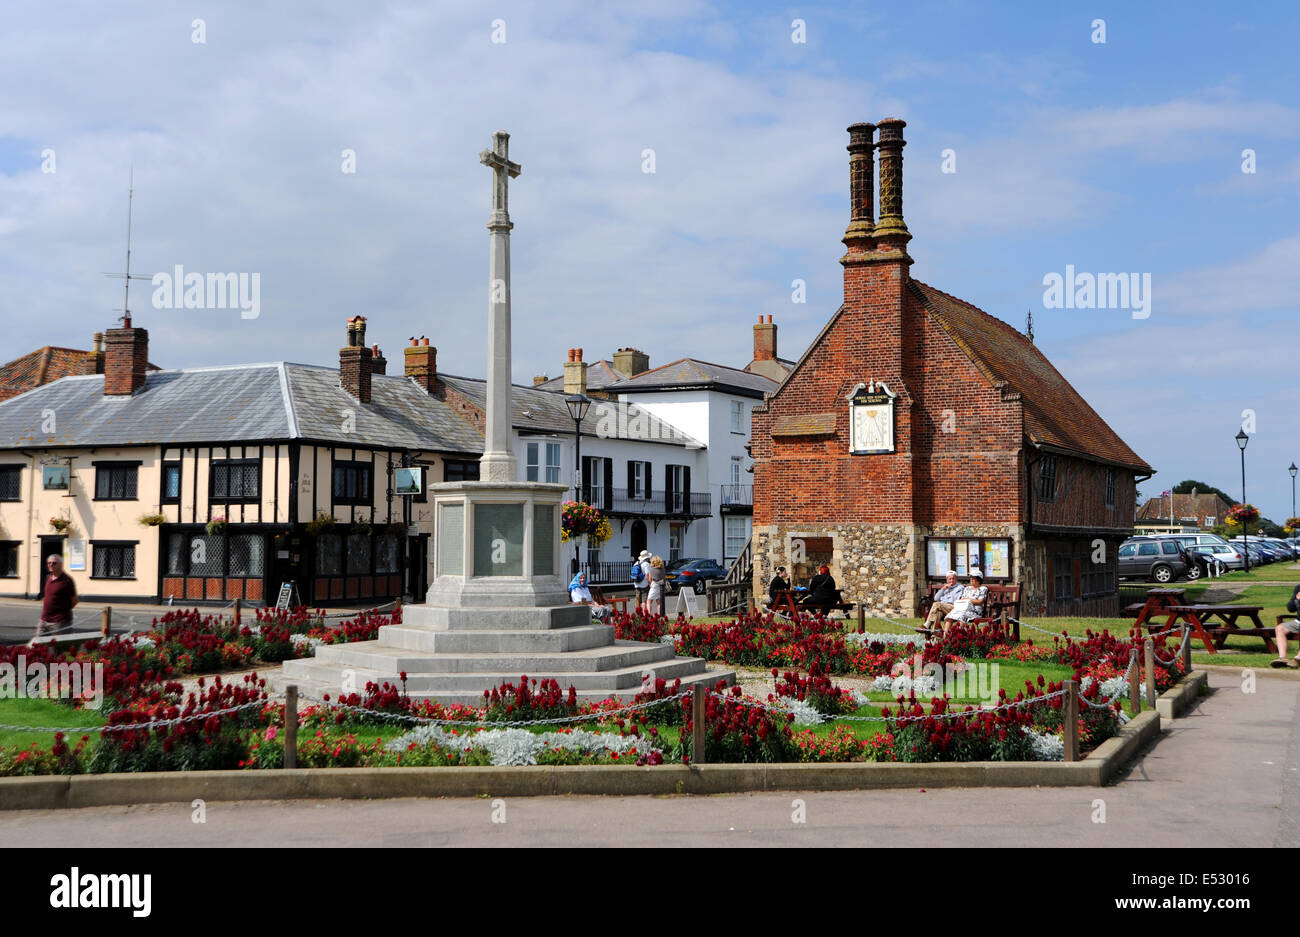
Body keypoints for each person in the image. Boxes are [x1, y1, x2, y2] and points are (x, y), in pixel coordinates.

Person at [34, 553, 78, 643]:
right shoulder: (48, 578)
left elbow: (74, 600)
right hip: (44, 620)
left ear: (61, 564)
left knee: (58, 649)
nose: (50, 565)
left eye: (54, 563)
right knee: (37, 646)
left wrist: (62, 612)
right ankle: (21, 658)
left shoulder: (67, 580)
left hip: (59, 622)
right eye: (49, 563)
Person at [943, 569, 989, 633]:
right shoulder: (967, 588)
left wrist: (968, 600)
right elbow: (962, 599)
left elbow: (980, 601)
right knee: (949, 617)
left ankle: (960, 636)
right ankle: (945, 637)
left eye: (973, 578)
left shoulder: (983, 589)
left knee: (961, 616)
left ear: (978, 579)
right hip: (963, 609)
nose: (971, 579)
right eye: (971, 578)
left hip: (974, 611)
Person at [1269, 584, 1300, 668]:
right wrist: (1296, 600)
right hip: (1298, 622)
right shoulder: (1298, 587)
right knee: (1280, 628)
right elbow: (1290, 609)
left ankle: (1297, 660)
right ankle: (1282, 658)